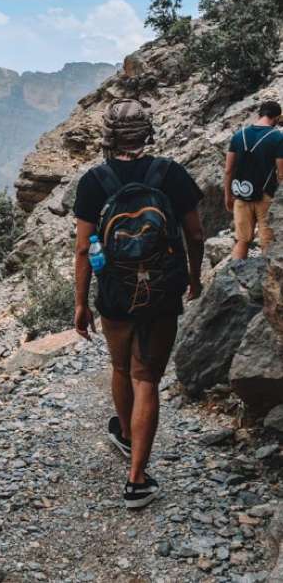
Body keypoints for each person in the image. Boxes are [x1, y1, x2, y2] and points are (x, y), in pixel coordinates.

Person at [73, 98, 205, 510]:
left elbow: (82, 249)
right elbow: (196, 235)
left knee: (119, 367)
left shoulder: (94, 181)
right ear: (149, 132)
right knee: (146, 375)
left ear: (108, 138)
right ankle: (137, 480)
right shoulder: (172, 174)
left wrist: (81, 303)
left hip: (114, 290)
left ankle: (128, 436)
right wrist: (195, 277)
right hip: (163, 289)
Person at [224, 100, 283, 260]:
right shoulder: (277, 137)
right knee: (267, 242)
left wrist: (228, 196)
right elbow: (281, 172)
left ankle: (235, 278)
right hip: (266, 196)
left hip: (241, 194)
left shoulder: (238, 135)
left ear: (259, 114)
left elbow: (229, 169)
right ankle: (267, 281)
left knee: (242, 241)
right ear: (276, 118)